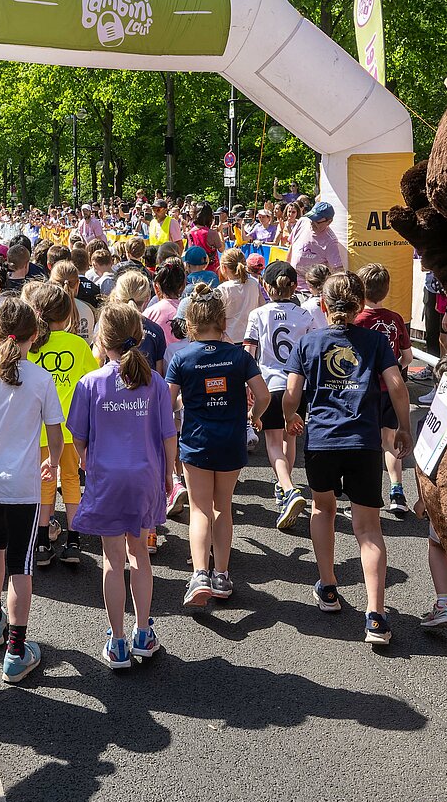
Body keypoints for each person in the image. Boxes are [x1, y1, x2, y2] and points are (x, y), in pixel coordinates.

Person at [283, 272, 412, 647]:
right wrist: (403, 426)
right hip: (364, 441)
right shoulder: (374, 340)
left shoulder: (309, 342)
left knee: (323, 510)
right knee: (368, 528)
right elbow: (398, 385)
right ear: (359, 307)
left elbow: (292, 392)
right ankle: (376, 615)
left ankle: (328, 587)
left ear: (324, 305)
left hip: (322, 440)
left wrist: (291, 416)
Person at [0, 295, 66, 684]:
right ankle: (16, 650)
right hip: (22, 485)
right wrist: (52, 459)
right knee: (22, 564)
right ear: (34, 336)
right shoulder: (40, 379)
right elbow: (55, 430)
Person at [69, 302, 173, 665]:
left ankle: (117, 641)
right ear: (140, 337)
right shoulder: (155, 382)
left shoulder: (91, 382)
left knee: (112, 561)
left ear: (101, 339)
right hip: (144, 476)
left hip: (107, 478)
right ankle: (144, 632)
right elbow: (167, 437)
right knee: (140, 555)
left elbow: (78, 437)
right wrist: (168, 474)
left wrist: (88, 463)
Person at [167, 284, 268, 607]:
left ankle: (199, 574)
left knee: (199, 509)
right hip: (231, 440)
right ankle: (222, 575)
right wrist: (253, 416)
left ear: (191, 325)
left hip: (196, 441)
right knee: (223, 507)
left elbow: (166, 405)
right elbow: (264, 395)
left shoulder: (182, 359)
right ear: (223, 322)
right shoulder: (239, 356)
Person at [26, 281, 98, 565]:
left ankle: (42, 541)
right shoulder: (78, 345)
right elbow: (92, 381)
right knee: (70, 481)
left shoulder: (32, 345)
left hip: (38, 429)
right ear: (68, 316)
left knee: (43, 483)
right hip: (70, 429)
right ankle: (74, 540)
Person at [244, 260, 316, 530]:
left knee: (273, 443)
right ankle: (284, 485)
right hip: (299, 386)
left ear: (266, 286)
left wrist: (247, 387)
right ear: (294, 286)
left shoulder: (259, 314)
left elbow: (248, 353)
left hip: (271, 383)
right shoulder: (305, 316)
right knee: (291, 435)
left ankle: (288, 488)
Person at [351, 264, 413, 514]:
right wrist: (393, 369)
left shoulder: (357, 321)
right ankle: (397, 490)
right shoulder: (395, 319)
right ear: (386, 291)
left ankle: (367, 497)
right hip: (390, 390)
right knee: (390, 439)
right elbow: (408, 357)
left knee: (367, 443)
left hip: (364, 390)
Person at [216, 246, 263, 344]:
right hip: (251, 338)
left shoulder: (223, 289)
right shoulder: (254, 283)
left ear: (224, 268)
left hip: (229, 340)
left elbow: (218, 319)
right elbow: (261, 307)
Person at [287, 201, 347, 277]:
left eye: (316, 221)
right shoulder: (302, 222)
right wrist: (287, 269)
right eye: (311, 218)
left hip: (312, 286)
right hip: (292, 282)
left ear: (329, 222)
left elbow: (338, 271)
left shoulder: (330, 241)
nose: (312, 223)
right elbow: (292, 246)